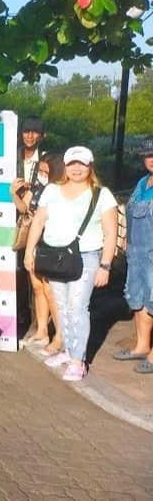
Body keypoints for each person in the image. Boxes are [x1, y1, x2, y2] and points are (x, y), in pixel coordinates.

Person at [24, 146, 118, 381]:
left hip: (85, 257)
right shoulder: (52, 191)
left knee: (78, 307)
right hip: (54, 256)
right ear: (65, 166)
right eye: (72, 163)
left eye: (82, 164)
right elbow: (38, 223)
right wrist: (29, 252)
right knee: (62, 306)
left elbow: (111, 232)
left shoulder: (101, 194)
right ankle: (68, 351)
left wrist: (105, 265)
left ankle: (79, 360)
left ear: (90, 166)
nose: (77, 168)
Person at [10, 152, 65, 351]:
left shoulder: (61, 191)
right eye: (40, 170)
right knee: (37, 288)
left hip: (52, 245)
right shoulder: (38, 188)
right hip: (34, 243)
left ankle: (59, 334)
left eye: (45, 171)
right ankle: (42, 331)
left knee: (51, 291)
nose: (41, 174)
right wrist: (14, 194)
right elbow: (25, 208)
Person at [117, 137, 153, 373]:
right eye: (148, 155)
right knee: (138, 300)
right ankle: (141, 346)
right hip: (137, 254)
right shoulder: (142, 184)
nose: (151, 160)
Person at [19, 116, 46, 183]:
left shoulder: (46, 159)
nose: (30, 136)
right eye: (26, 132)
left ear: (42, 135)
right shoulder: (12, 156)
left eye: (35, 132)